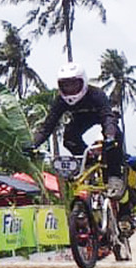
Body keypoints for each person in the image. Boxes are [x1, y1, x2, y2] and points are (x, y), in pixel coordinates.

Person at [24, 62, 125, 198]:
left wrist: (110, 135)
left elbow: (107, 117)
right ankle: (89, 162)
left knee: (115, 136)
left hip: (100, 116)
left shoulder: (96, 94)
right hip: (80, 119)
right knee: (69, 138)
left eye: (73, 84)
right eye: (65, 85)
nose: (70, 89)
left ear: (83, 82)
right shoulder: (60, 100)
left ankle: (115, 177)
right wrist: (32, 145)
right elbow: (47, 126)